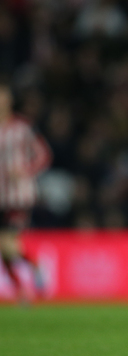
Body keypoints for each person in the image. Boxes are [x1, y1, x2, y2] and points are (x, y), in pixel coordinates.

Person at [0, 80, 52, 304]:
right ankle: (22, 293)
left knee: (6, 245)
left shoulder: (21, 127)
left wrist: (24, 171)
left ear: (9, 100)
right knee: (5, 251)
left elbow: (43, 155)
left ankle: (35, 268)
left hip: (18, 196)